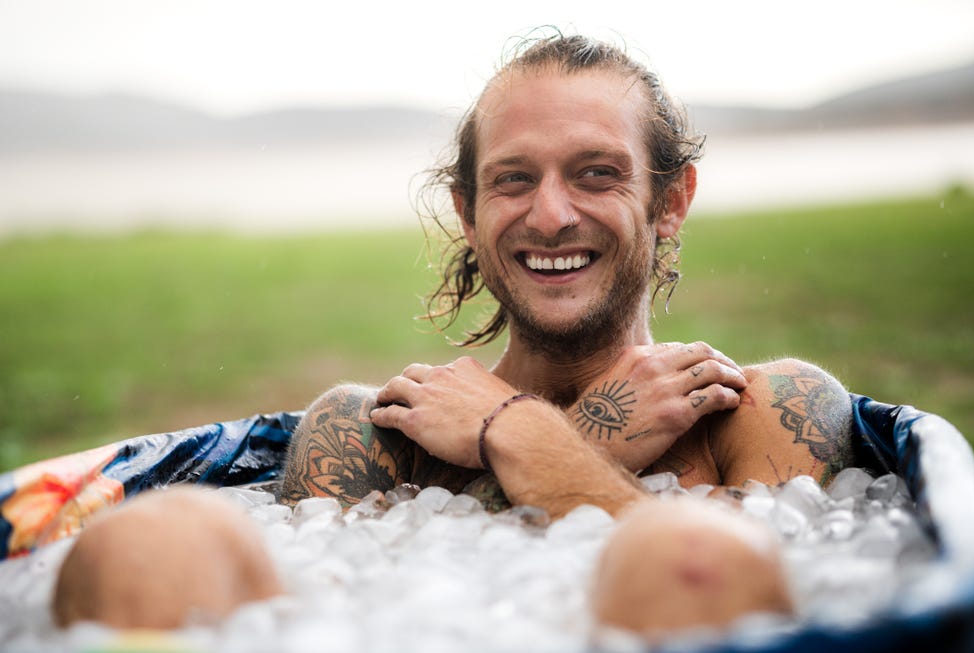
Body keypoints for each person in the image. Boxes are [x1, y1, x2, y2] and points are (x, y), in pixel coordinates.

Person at [53, 32, 853, 639]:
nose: (550, 214)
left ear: (671, 200)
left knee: (689, 553)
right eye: (514, 178)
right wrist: (574, 440)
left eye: (596, 173)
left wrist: (516, 433)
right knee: (146, 547)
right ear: (468, 213)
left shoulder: (764, 410)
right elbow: (337, 628)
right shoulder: (370, 436)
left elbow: (789, 607)